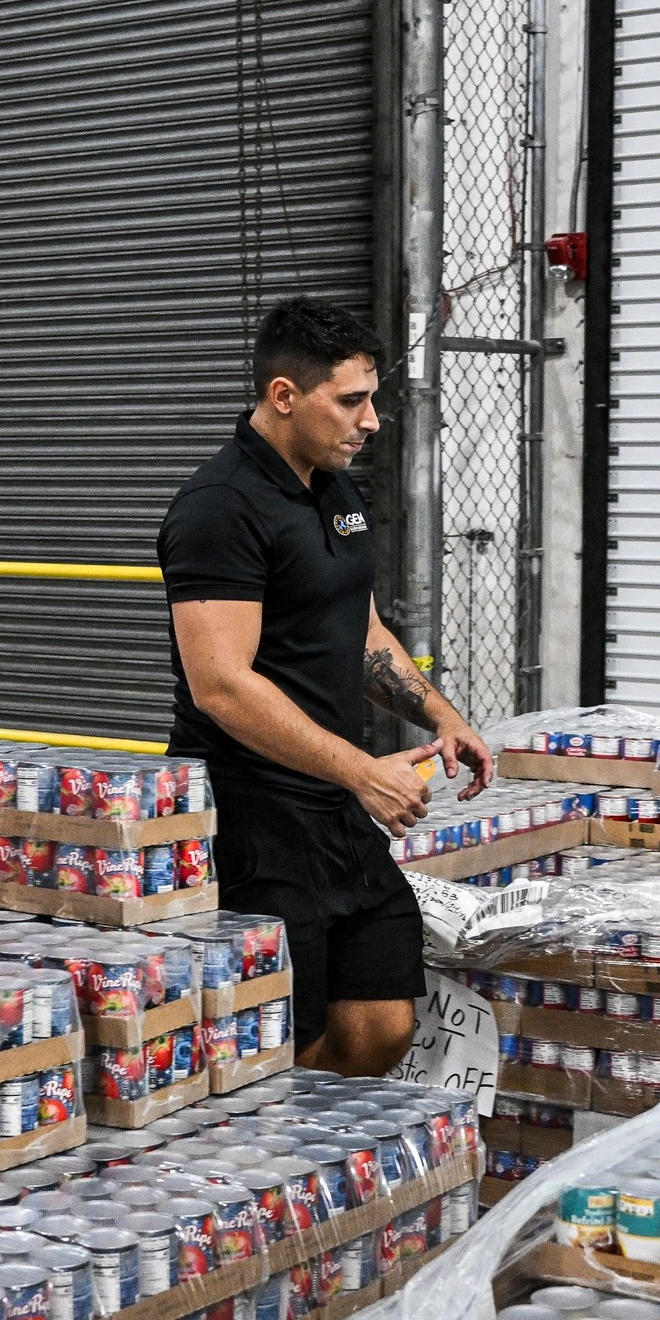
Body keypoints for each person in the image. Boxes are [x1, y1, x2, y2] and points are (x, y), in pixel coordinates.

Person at [159, 297, 494, 1074]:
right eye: (350, 401)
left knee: (382, 1023)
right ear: (284, 396)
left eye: (370, 399)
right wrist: (359, 771)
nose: (370, 420)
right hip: (252, 818)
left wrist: (441, 716)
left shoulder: (332, 490)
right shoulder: (219, 508)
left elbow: (363, 630)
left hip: (333, 806)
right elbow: (221, 687)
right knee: (286, 1045)